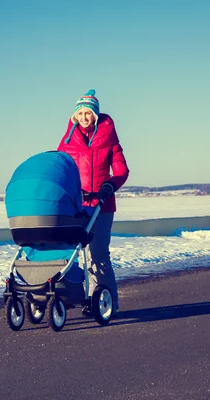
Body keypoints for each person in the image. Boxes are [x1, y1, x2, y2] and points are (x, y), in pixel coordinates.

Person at [57, 89, 130, 316]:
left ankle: (109, 301)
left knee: (98, 254)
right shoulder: (68, 140)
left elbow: (121, 169)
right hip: (77, 205)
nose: (84, 117)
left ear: (95, 115)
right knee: (77, 252)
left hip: (102, 204)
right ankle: (87, 298)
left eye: (88, 113)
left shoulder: (109, 138)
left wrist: (110, 185)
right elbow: (60, 166)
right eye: (81, 113)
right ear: (75, 115)